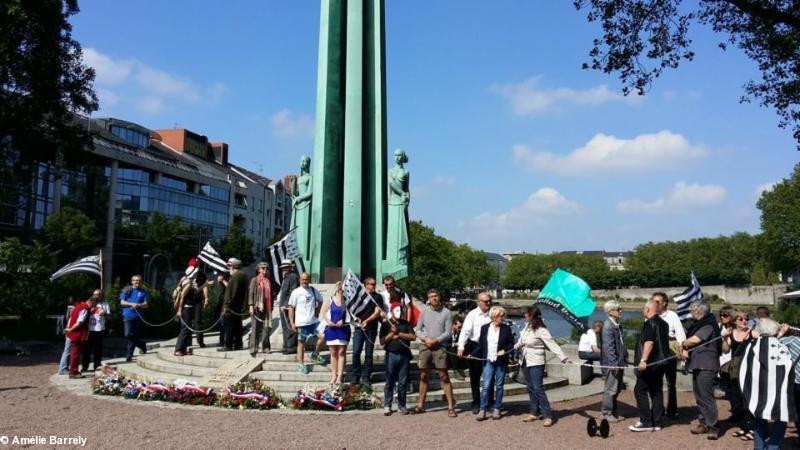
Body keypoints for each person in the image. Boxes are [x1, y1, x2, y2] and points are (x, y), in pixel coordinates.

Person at [516, 306, 569, 427]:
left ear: (532, 316)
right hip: (525, 360)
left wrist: (563, 357)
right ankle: (534, 412)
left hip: (536, 362)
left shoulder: (541, 330)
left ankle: (548, 415)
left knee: (538, 388)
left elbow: (552, 344)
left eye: (527, 314)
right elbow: (520, 342)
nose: (524, 315)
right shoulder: (526, 327)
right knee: (530, 387)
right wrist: (513, 348)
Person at [678, 300, 721, 440]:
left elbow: (695, 340)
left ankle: (713, 426)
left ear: (700, 311)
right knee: (699, 396)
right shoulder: (698, 324)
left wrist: (682, 344)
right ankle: (703, 423)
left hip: (707, 365)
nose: (691, 311)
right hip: (697, 364)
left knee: (707, 396)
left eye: (692, 309)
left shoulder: (708, 324)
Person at [413, 288, 456, 417]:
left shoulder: (447, 313)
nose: (434, 298)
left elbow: (448, 333)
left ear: (439, 297)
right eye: (431, 296)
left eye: (436, 296)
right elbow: (417, 329)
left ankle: (450, 406)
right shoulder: (424, 312)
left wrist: (436, 340)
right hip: (425, 346)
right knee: (423, 376)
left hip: (440, 347)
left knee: (444, 376)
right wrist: (425, 339)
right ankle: (421, 405)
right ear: (428, 298)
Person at [629, 297, 669, 432]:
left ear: (647, 309)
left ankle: (646, 421)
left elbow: (649, 342)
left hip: (651, 364)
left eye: (643, 308)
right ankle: (657, 422)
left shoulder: (649, 323)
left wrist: (643, 360)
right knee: (656, 391)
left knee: (639, 390)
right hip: (662, 363)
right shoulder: (664, 323)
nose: (642, 310)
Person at [472, 306, 514, 421]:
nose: (503, 317)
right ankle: (483, 409)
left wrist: (504, 350)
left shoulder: (506, 328)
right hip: (488, 361)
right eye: (501, 316)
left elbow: (511, 343)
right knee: (486, 386)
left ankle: (497, 408)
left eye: (503, 315)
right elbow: (481, 345)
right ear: (494, 316)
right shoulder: (485, 328)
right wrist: (473, 354)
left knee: (499, 386)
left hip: (501, 361)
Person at [457, 292, 494, 414]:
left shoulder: (493, 314)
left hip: (490, 346)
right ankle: (476, 402)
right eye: (485, 301)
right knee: (475, 377)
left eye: (489, 301)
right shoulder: (472, 315)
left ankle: (489, 402)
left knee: (490, 376)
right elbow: (465, 331)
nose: (488, 303)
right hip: (475, 346)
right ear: (479, 302)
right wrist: (461, 346)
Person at [721, 310, 753, 441]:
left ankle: (751, 428)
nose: (744, 321)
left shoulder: (752, 333)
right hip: (735, 370)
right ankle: (743, 426)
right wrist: (724, 338)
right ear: (735, 321)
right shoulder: (731, 334)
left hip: (749, 369)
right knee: (736, 401)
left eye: (746, 318)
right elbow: (725, 350)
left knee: (748, 400)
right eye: (740, 319)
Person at [653, 292, 686, 419]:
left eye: (657, 302)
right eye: (653, 301)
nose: (654, 304)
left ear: (664, 303)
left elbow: (680, 334)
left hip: (670, 351)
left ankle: (672, 410)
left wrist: (682, 351)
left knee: (671, 382)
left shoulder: (672, 316)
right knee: (657, 382)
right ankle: (658, 408)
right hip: (656, 352)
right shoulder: (652, 315)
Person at [380, 304, 416, 416]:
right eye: (396, 310)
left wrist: (399, 334)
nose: (399, 312)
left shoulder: (406, 324)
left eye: (401, 310)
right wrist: (391, 334)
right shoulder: (386, 324)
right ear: (391, 311)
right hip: (391, 355)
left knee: (403, 382)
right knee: (389, 381)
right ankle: (387, 405)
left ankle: (402, 405)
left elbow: (413, 337)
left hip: (404, 355)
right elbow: (382, 341)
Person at [349, 276, 383, 386]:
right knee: (356, 352)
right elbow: (351, 309)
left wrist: (367, 321)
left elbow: (377, 312)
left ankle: (366, 377)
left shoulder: (378, 297)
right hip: (359, 328)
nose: (373, 286)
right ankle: (355, 375)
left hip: (371, 328)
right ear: (365, 285)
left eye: (374, 284)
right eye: (371, 284)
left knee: (369, 354)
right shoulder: (360, 296)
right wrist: (357, 319)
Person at [287, 272, 323, 374]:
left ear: (309, 279)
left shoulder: (313, 290)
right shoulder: (296, 292)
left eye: (306, 279)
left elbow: (321, 301)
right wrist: (292, 322)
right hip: (301, 323)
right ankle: (301, 364)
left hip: (313, 321)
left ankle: (315, 354)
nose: (305, 281)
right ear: (300, 280)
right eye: (303, 279)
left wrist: (317, 311)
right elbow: (291, 308)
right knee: (301, 343)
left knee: (323, 336)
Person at [601, 300, 627, 422]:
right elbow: (608, 347)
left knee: (617, 388)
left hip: (619, 363)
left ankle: (614, 412)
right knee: (610, 388)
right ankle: (606, 413)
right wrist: (613, 364)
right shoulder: (608, 326)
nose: (621, 311)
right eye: (618, 309)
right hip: (613, 364)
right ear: (610, 312)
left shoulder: (616, 324)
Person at [321, 282, 350, 385]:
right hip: (332, 329)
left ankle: (340, 376)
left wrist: (344, 320)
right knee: (333, 353)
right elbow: (323, 312)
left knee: (341, 352)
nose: (340, 289)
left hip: (343, 329)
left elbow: (351, 314)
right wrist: (329, 322)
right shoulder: (330, 299)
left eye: (342, 288)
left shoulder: (347, 301)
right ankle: (333, 375)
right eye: (339, 287)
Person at [65, 293, 99, 378]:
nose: (94, 307)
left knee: (74, 353)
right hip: (78, 334)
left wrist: (69, 329)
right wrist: (71, 329)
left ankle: (73, 371)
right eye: (94, 304)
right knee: (75, 354)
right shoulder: (85, 309)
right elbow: (79, 322)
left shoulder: (78, 306)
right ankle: (73, 372)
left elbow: (71, 319)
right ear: (92, 302)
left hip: (74, 334)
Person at [778, 323, 800, 449]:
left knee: (797, 411)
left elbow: (773, 344)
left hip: (797, 383)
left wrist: (781, 332)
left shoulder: (792, 340)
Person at [220, 258, 248, 352]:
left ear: (233, 266)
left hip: (232, 306)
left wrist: (226, 306)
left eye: (229, 266)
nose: (228, 268)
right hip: (238, 305)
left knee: (229, 326)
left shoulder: (236, 276)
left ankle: (228, 345)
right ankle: (238, 344)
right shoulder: (243, 275)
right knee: (237, 326)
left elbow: (232, 292)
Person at [119, 275, 149, 362]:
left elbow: (146, 304)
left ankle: (129, 355)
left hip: (138, 316)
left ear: (141, 282)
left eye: (139, 280)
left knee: (134, 335)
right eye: (135, 280)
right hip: (127, 315)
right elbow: (122, 302)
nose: (137, 282)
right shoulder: (127, 290)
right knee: (128, 334)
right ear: (132, 281)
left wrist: (138, 305)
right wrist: (131, 304)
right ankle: (142, 344)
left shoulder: (144, 292)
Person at [248, 262, 275, 356]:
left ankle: (266, 347)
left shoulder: (269, 280)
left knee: (266, 327)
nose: (265, 270)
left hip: (267, 308)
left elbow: (271, 294)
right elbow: (251, 293)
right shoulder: (254, 280)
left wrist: (271, 307)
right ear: (258, 269)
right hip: (257, 307)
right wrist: (251, 306)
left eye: (266, 268)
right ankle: (253, 347)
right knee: (255, 328)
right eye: (263, 268)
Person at [81, 289, 109, 371]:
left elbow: (109, 317)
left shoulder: (104, 304)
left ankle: (97, 365)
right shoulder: (89, 302)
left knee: (98, 349)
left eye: (99, 294)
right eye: (95, 294)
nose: (97, 296)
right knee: (86, 349)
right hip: (89, 329)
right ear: (93, 295)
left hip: (99, 329)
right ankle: (84, 366)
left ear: (102, 295)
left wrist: (104, 314)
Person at [174, 270, 199, 356]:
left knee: (187, 329)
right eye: (195, 273)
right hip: (186, 308)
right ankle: (178, 349)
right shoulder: (188, 283)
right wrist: (180, 310)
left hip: (189, 308)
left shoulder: (189, 282)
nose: (196, 274)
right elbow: (182, 297)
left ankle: (183, 349)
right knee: (185, 329)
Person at [278, 260, 299, 354]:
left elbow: (293, 291)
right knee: (285, 326)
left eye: (286, 267)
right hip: (282, 306)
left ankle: (291, 346)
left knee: (290, 325)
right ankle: (286, 345)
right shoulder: (285, 277)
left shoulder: (293, 276)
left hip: (288, 307)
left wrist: (286, 305)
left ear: (291, 267)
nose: (284, 269)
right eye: (283, 268)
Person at [58, 297, 81, 375]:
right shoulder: (73, 309)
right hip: (70, 330)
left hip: (68, 330)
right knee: (67, 350)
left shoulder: (69, 308)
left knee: (67, 350)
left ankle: (64, 367)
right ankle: (63, 368)